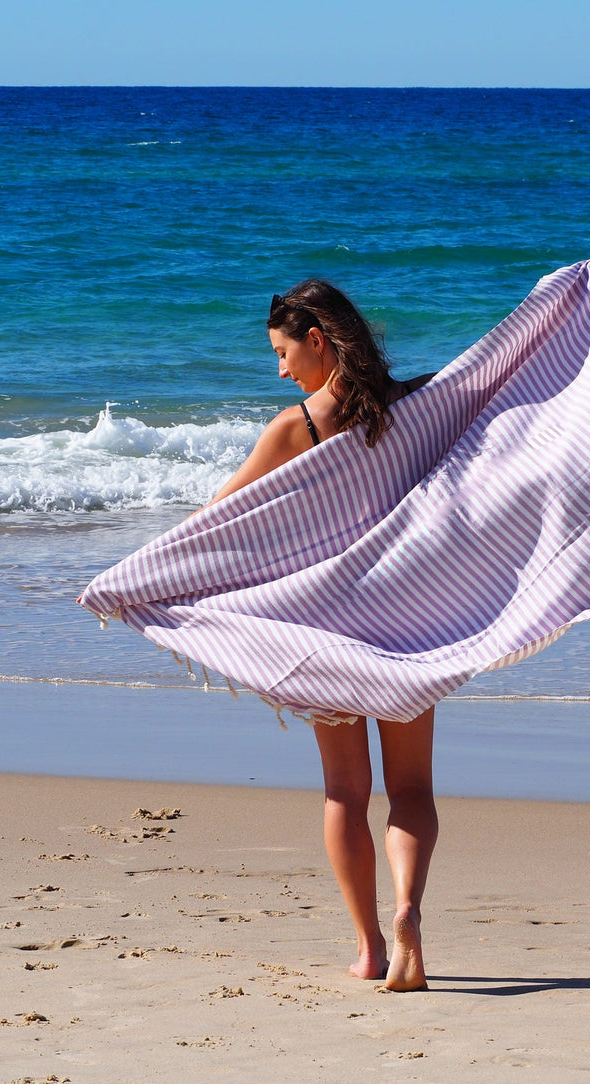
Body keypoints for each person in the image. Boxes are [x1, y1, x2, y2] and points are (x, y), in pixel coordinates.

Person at [200, 279, 436, 992]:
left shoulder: (294, 428)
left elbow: (212, 519)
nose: (279, 369)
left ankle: (367, 948)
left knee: (344, 790)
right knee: (412, 787)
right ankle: (408, 917)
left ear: (316, 340)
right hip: (407, 620)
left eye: (282, 352)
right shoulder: (419, 402)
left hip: (326, 625)